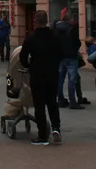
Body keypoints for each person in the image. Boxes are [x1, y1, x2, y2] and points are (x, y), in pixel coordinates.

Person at [19, 10, 63, 146]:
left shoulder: (31, 38)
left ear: (35, 21)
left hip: (37, 74)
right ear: (47, 20)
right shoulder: (55, 36)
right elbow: (61, 53)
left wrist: (28, 66)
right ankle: (56, 128)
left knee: (39, 105)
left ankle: (42, 135)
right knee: (52, 102)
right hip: (52, 74)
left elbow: (22, 57)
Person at [54, 9, 82, 109]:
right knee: (72, 79)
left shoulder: (56, 28)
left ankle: (60, 100)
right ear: (69, 19)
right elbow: (77, 42)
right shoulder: (72, 28)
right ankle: (72, 101)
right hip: (71, 56)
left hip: (60, 56)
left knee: (59, 80)